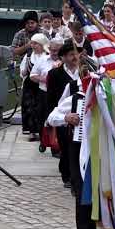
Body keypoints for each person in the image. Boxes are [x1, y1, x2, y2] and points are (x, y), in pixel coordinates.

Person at [47, 67, 97, 229]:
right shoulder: (76, 98)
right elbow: (52, 117)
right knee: (82, 188)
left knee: (98, 189)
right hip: (78, 148)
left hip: (99, 149)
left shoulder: (106, 97)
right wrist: (66, 117)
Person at [47, 42, 82, 189]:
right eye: (71, 55)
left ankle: (76, 176)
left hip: (81, 117)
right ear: (63, 57)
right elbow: (51, 98)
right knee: (65, 146)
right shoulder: (55, 73)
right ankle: (67, 175)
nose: (75, 57)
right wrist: (52, 118)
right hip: (64, 114)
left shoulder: (84, 71)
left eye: (76, 54)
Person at [30, 37, 63, 141]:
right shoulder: (42, 60)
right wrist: (46, 79)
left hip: (60, 94)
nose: (55, 53)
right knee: (42, 117)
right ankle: (43, 140)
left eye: (58, 50)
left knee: (57, 118)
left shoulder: (65, 60)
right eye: (53, 50)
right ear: (49, 48)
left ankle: (56, 143)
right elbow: (32, 76)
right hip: (44, 93)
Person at [19, 33, 50, 141]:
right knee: (29, 107)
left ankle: (41, 130)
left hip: (41, 85)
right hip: (29, 85)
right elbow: (22, 72)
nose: (33, 45)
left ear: (42, 45)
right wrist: (23, 72)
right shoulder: (28, 56)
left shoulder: (47, 56)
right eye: (32, 43)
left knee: (40, 107)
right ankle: (31, 131)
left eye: (36, 43)